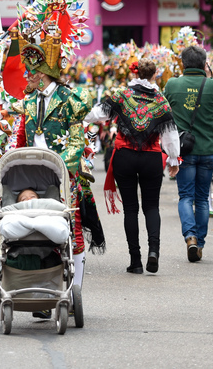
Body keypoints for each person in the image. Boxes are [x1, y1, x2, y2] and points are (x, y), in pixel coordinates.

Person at [8, 0, 104, 291]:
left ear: (44, 72)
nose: (26, 76)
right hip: (30, 173)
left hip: (64, 172)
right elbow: (19, 137)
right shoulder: (28, 102)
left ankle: (73, 288)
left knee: (72, 229)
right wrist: (9, 161)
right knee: (31, 229)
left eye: (30, 72)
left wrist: (62, 165)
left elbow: (78, 141)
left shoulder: (71, 100)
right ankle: (38, 280)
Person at [85, 58, 179, 274]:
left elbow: (95, 114)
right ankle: (153, 252)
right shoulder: (160, 100)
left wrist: (80, 120)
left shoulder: (121, 95)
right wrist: (174, 159)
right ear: (155, 74)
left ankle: (135, 261)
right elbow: (170, 134)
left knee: (130, 209)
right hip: (151, 157)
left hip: (124, 155)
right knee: (151, 207)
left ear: (135, 74)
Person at [163, 45, 213, 263]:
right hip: (209, 148)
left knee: (186, 196)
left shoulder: (173, 84)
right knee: (203, 198)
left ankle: (190, 236)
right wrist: (209, 78)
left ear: (183, 63)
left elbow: (165, 106)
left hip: (183, 149)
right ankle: (200, 243)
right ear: (204, 64)